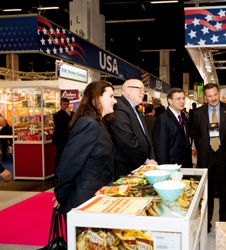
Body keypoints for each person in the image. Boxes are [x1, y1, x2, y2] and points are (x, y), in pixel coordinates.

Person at [54, 81, 117, 217]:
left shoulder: (99, 123)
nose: (115, 101)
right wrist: (61, 194)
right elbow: (69, 163)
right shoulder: (89, 124)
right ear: (97, 98)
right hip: (84, 199)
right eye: (111, 96)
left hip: (96, 198)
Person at [192, 83, 226, 233]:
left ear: (219, 93)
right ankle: (206, 224)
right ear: (205, 96)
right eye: (209, 96)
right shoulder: (197, 113)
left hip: (225, 156)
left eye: (215, 95)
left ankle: (224, 225)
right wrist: (204, 150)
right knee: (207, 193)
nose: (213, 98)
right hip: (206, 157)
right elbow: (196, 136)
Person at [108, 79, 157, 179]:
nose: (143, 92)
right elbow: (127, 140)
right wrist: (146, 161)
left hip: (140, 166)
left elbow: (146, 138)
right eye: (140, 89)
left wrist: (151, 158)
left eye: (144, 89)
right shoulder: (119, 108)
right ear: (128, 90)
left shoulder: (136, 110)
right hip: (126, 168)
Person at [153, 88, 192, 168]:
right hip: (171, 166)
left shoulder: (183, 118)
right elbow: (161, 148)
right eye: (178, 99)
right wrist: (165, 169)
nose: (182, 101)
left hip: (184, 165)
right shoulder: (163, 119)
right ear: (170, 101)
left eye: (183, 98)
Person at [52, 98, 74, 177]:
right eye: (64, 104)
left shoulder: (72, 114)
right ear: (61, 105)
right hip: (60, 140)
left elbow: (73, 125)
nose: (66, 106)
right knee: (59, 156)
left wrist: (69, 115)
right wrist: (67, 116)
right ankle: (57, 174)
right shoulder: (56, 115)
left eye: (67, 104)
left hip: (70, 139)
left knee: (70, 156)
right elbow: (61, 126)